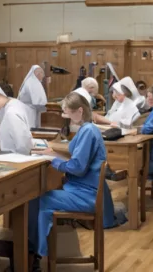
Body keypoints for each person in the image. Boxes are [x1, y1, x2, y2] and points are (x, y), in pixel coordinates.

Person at [29, 92, 117, 266]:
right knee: (41, 202)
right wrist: (53, 154)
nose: (66, 117)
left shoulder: (88, 131)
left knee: (36, 200)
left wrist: (53, 160)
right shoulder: (88, 129)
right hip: (83, 191)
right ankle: (40, 252)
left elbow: (77, 167)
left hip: (85, 195)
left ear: (79, 111)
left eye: (67, 113)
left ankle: (36, 254)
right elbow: (76, 158)